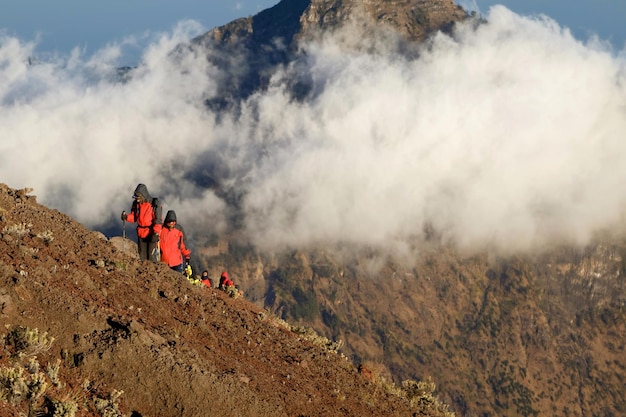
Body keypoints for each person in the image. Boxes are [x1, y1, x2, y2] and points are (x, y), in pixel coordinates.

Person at [121, 184, 161, 261]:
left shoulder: (153, 204)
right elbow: (135, 217)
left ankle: (152, 272)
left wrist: (156, 233)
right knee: (142, 255)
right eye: (136, 197)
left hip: (151, 233)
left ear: (143, 195)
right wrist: (126, 217)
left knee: (151, 256)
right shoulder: (136, 205)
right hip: (141, 233)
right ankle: (145, 272)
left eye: (138, 197)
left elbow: (158, 220)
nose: (137, 199)